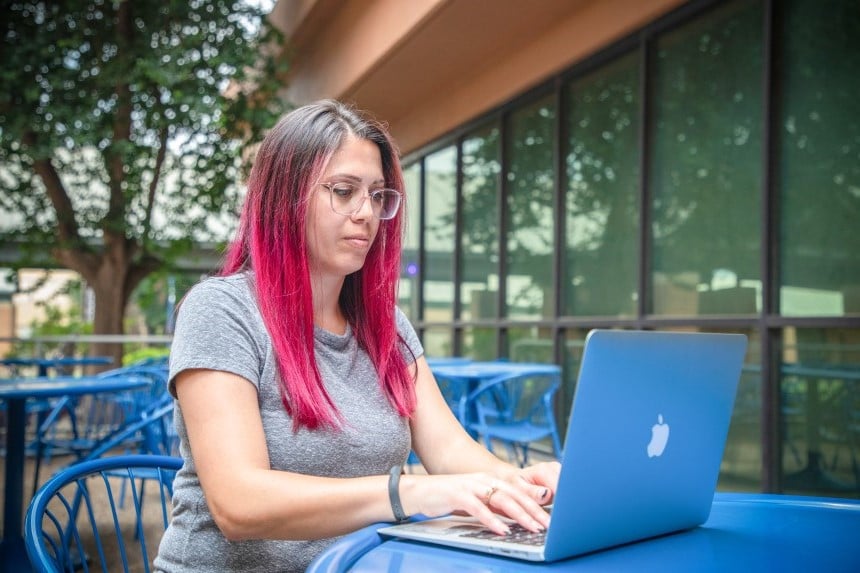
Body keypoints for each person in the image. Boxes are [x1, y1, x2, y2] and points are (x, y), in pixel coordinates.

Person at [154, 100, 560, 572]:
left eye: (377, 195)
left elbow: (449, 450)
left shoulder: (385, 324)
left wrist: (525, 483)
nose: (366, 212)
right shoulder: (221, 310)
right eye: (344, 191)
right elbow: (239, 504)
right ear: (283, 198)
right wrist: (410, 490)